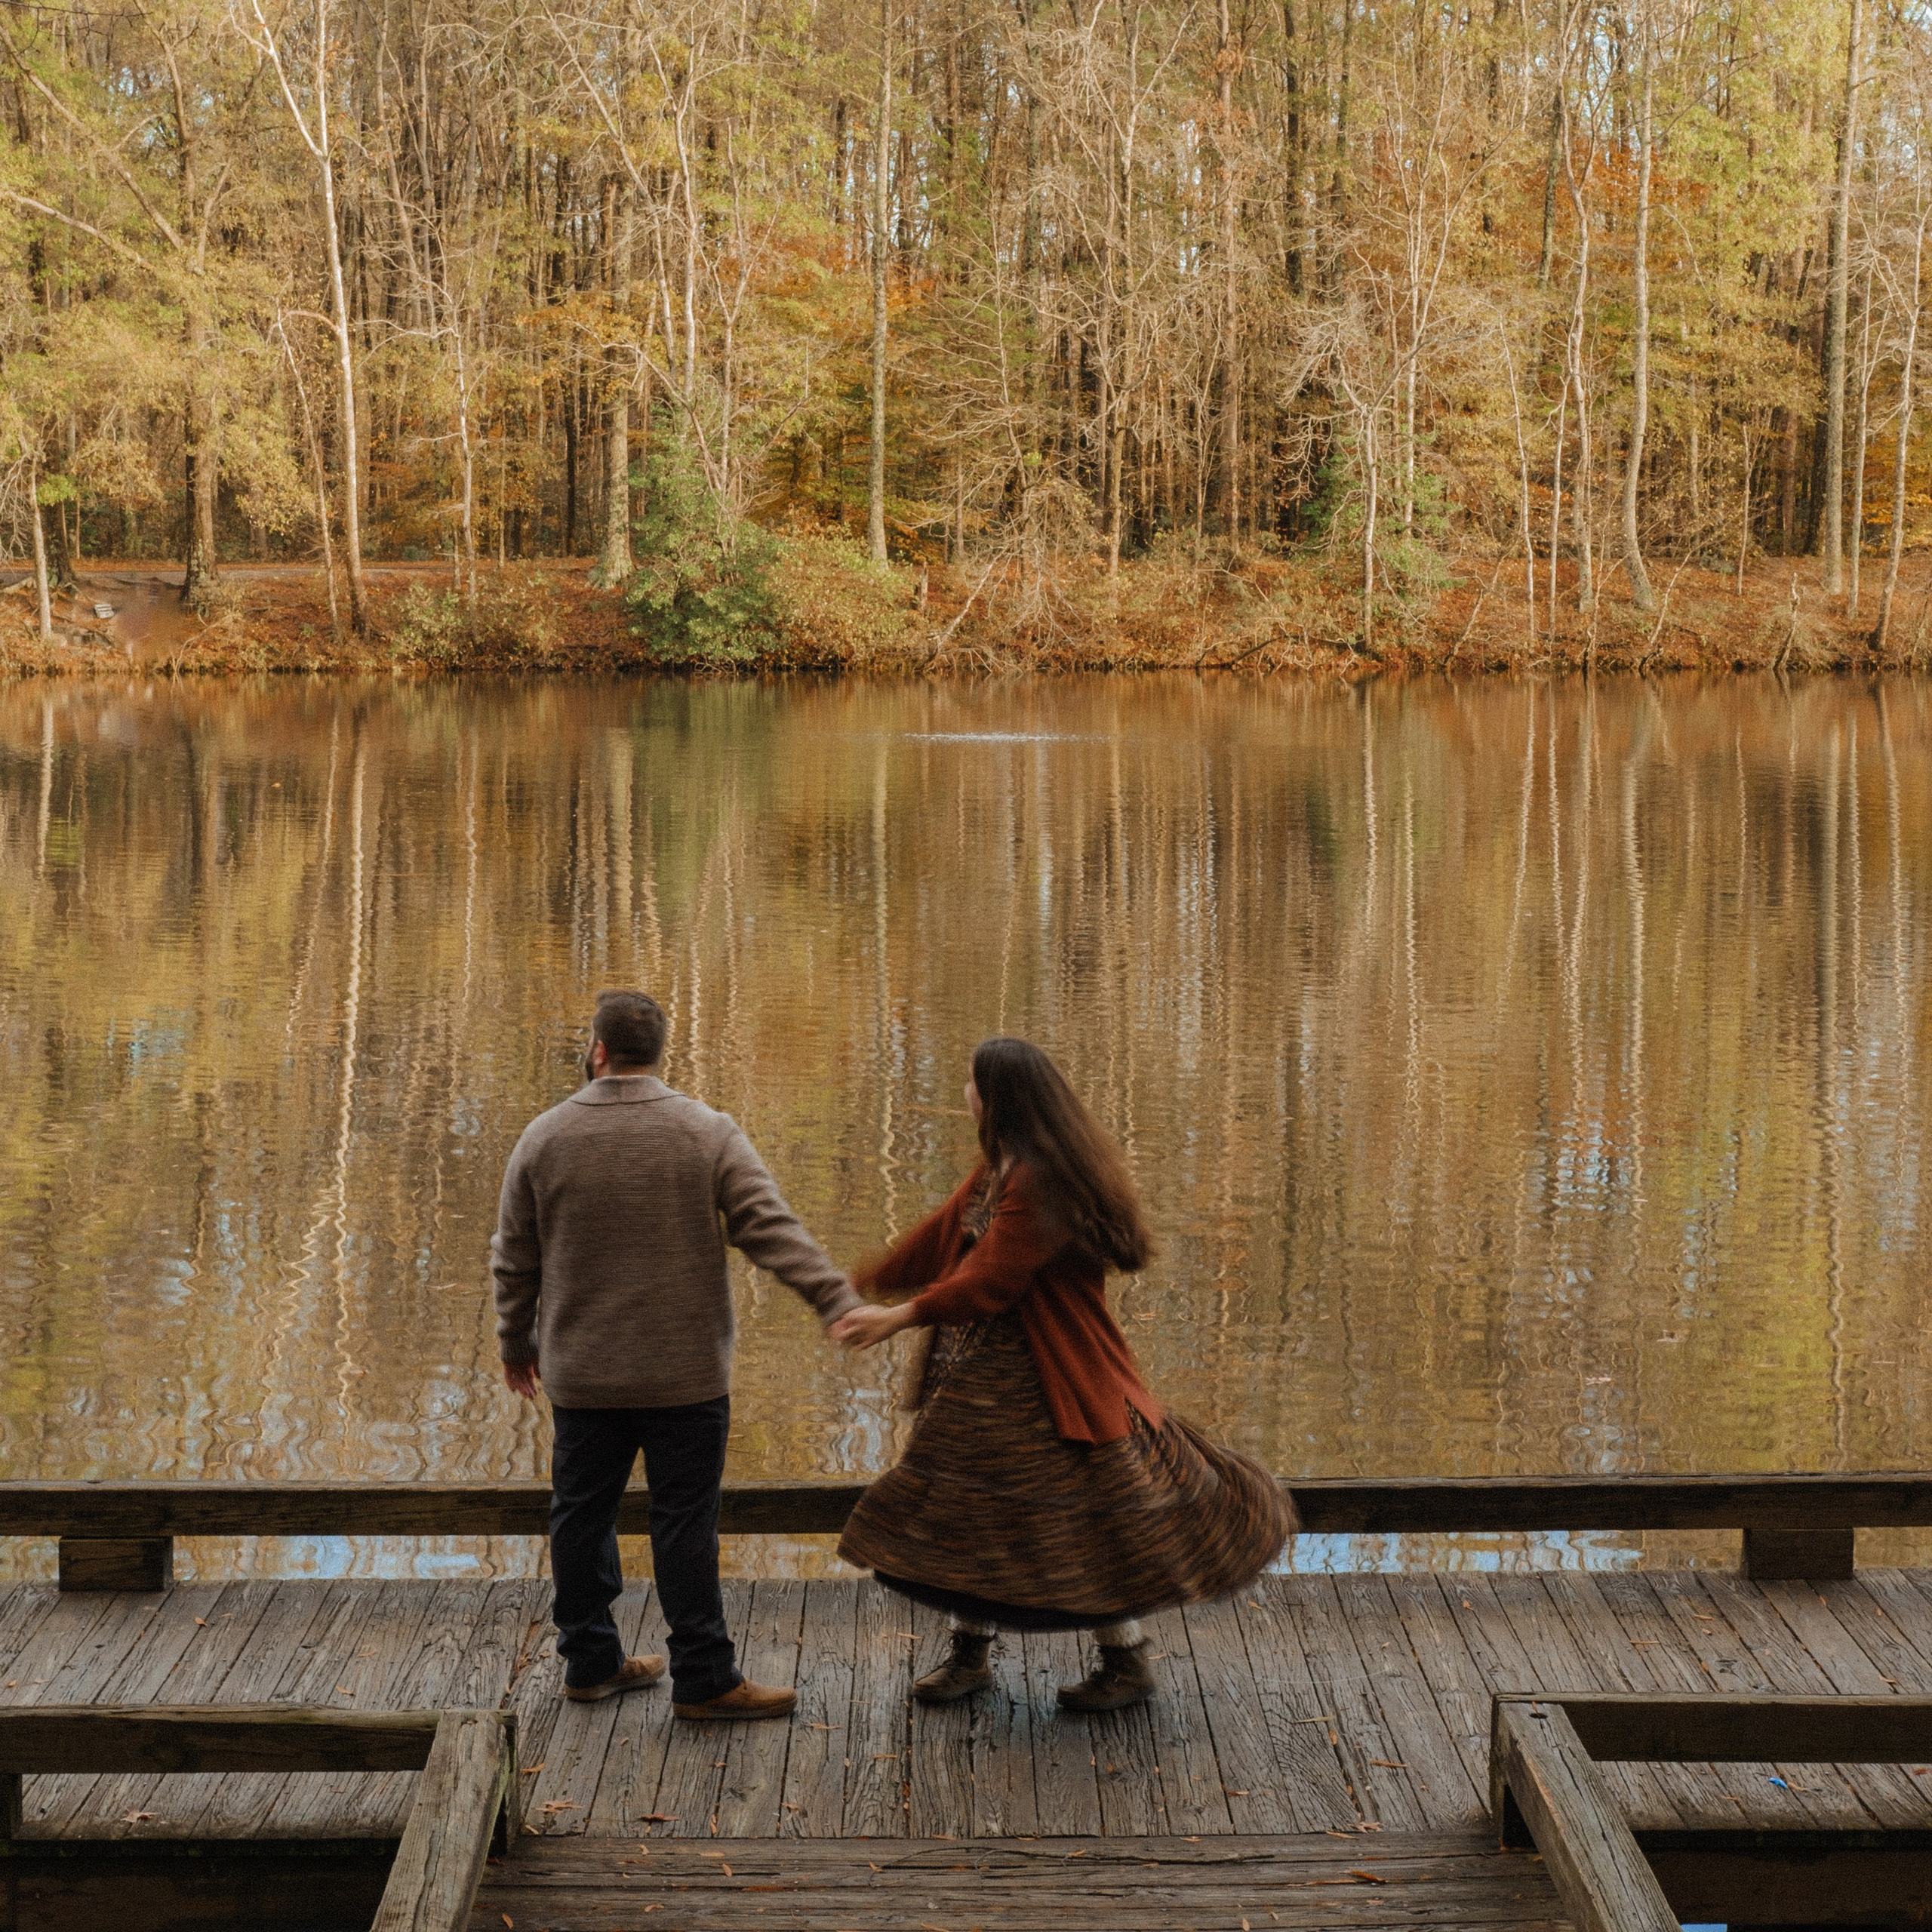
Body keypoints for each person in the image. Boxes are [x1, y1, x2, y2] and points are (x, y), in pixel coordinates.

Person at [830, 1036, 1295, 1712]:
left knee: (1084, 1518)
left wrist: (898, 1317)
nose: (964, 1092)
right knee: (972, 1508)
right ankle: (970, 1654)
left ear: (997, 1098)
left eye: (970, 1082)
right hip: (984, 1381)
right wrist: (857, 1285)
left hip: (1055, 1379)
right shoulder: (1003, 1166)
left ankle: (1126, 1660)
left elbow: (994, 1279)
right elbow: (942, 1239)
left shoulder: (1044, 1178)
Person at [492, 989, 862, 1720]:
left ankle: (590, 1664)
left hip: (584, 1376)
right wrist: (833, 1298)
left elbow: (514, 1260)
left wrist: (515, 1344)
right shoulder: (706, 1132)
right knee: (684, 1522)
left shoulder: (542, 1138)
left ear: (598, 1049)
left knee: (580, 1515)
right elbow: (770, 1228)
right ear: (659, 1052)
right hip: (685, 1378)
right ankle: (702, 1677)